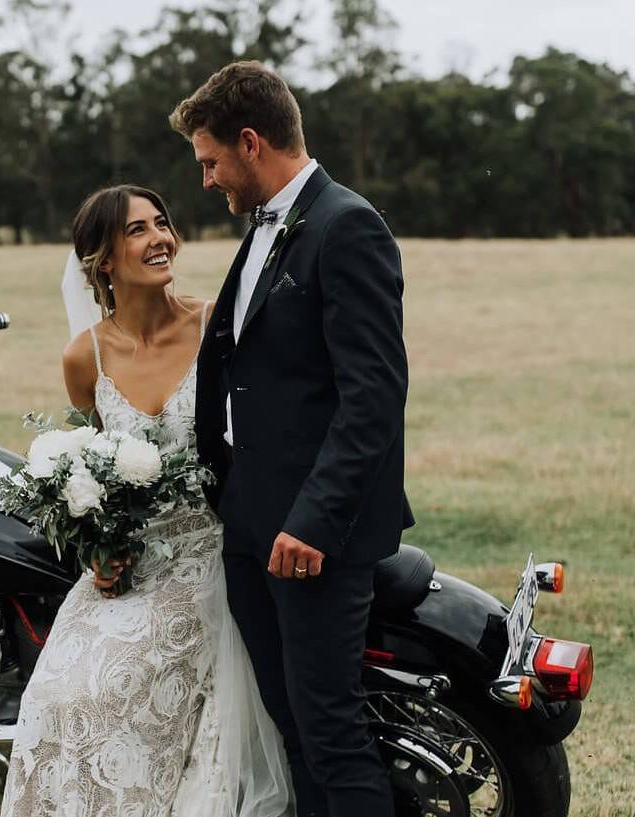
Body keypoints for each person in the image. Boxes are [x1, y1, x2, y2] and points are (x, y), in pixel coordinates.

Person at [0, 184, 294, 817]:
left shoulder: (218, 322)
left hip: (215, 555)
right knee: (57, 698)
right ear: (102, 259)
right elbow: (99, 470)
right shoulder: (85, 358)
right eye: (138, 230)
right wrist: (100, 550)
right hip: (132, 571)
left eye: (162, 223)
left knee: (124, 691)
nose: (160, 238)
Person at [170, 61, 414, 817]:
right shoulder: (266, 230)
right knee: (293, 733)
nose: (207, 180)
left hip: (313, 536)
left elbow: (373, 394)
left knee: (331, 733)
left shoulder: (347, 226)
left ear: (250, 143)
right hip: (250, 523)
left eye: (211, 161)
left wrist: (312, 519)